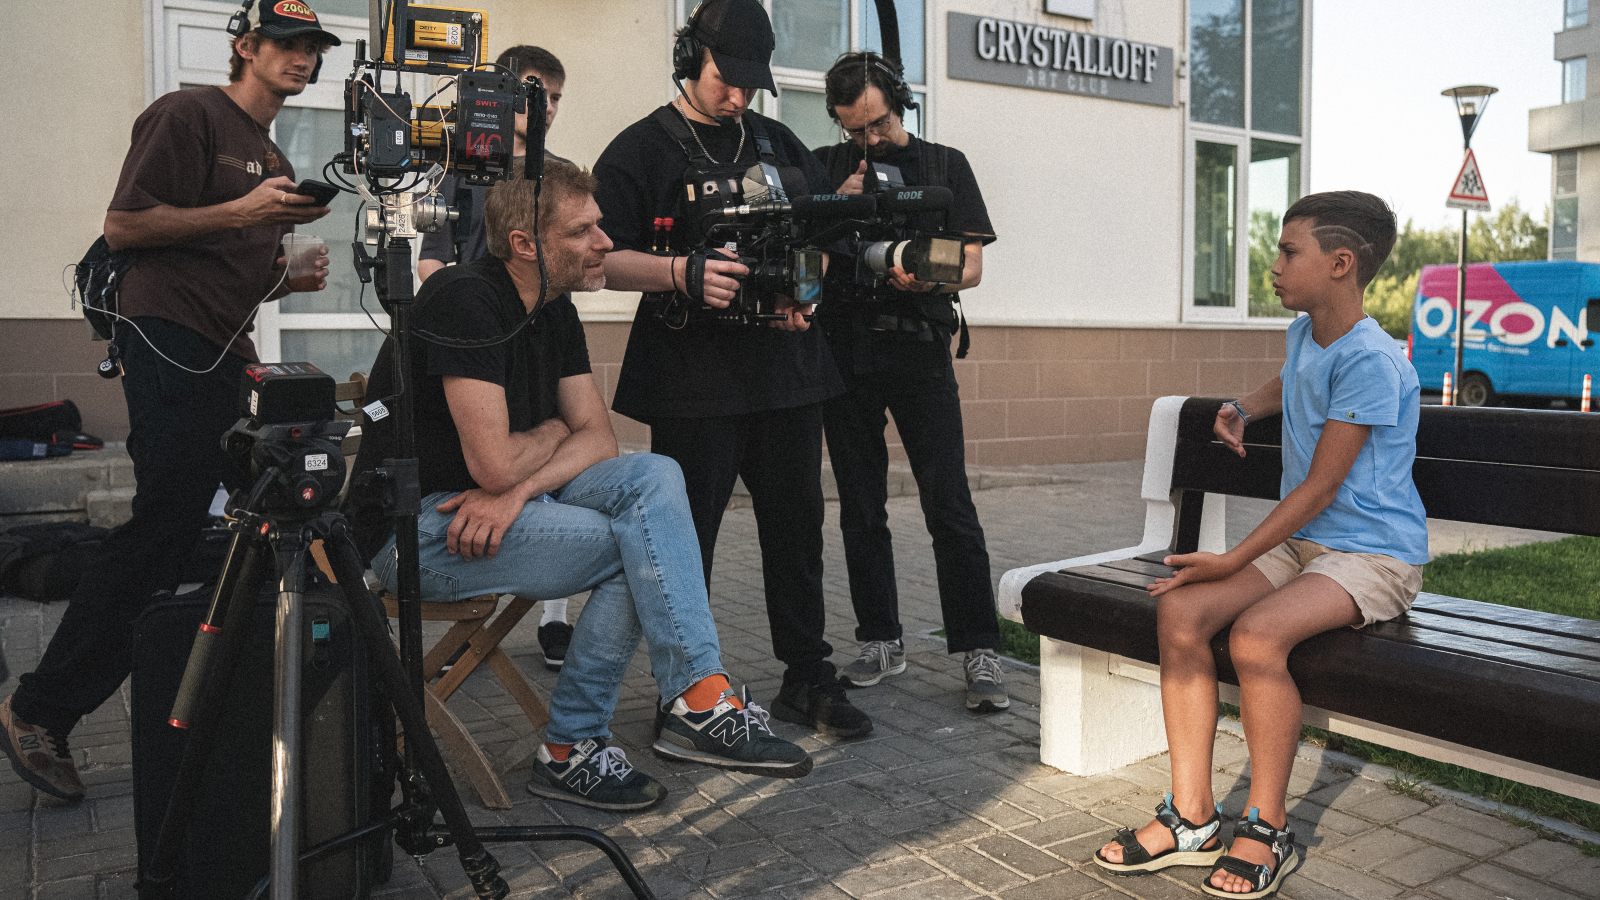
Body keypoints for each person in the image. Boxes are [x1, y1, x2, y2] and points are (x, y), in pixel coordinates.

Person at [351, 156, 813, 812]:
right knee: (637, 548)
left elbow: (598, 439)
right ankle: (573, 747)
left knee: (655, 473)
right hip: (419, 529)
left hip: (500, 509)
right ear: (524, 244)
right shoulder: (463, 298)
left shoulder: (553, 308)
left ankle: (698, 696)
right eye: (583, 231)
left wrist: (518, 487)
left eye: (599, 226)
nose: (605, 242)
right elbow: (494, 464)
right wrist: (542, 443)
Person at [0, 1, 336, 802]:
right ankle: (39, 708)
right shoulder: (189, 115)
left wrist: (286, 279)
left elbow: (230, 274)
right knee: (165, 527)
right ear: (246, 46)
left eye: (312, 47)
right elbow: (124, 226)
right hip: (165, 342)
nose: (301, 57)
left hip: (224, 354)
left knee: (225, 527)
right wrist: (246, 211)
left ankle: (218, 706)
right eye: (285, 43)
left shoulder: (273, 154)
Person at [1093, 191, 1424, 899]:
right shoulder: (1308, 332)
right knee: (1180, 613)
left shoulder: (1372, 359)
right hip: (1306, 544)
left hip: (1373, 555)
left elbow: (1322, 487)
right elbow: (1293, 379)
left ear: (1340, 263)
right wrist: (1243, 406)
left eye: (1287, 251)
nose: (1273, 265)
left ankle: (1268, 825)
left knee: (1255, 637)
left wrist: (1233, 558)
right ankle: (1191, 816)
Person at [591, 0, 869, 737]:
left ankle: (807, 676)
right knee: (689, 544)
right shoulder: (640, 150)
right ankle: (688, 689)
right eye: (726, 79)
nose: (739, 96)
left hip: (787, 372)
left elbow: (823, 236)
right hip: (694, 383)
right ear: (691, 60)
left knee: (797, 533)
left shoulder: (777, 142)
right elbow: (598, 260)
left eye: (751, 83)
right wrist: (681, 272)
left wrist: (806, 292)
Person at [812, 53, 1007, 713]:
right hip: (843, 350)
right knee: (860, 505)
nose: (869, 139)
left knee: (948, 502)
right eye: (854, 129)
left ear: (900, 102)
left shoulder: (945, 165)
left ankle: (978, 647)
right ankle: (879, 639)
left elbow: (972, 262)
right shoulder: (826, 167)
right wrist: (833, 208)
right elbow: (801, 247)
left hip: (919, 347)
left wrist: (931, 277)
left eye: (878, 124)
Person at [417, 44, 576, 671]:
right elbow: (431, 261)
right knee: (480, 470)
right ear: (500, 96)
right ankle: (465, 621)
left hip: (538, 344)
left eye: (556, 98)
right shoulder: (460, 167)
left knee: (549, 459)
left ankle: (555, 616)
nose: (548, 107)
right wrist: (467, 312)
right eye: (537, 93)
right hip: (477, 346)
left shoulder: (558, 175)